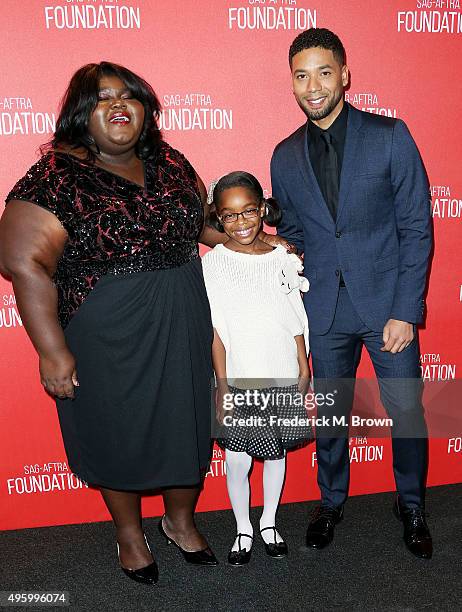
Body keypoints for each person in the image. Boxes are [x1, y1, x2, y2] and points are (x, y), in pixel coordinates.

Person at [0, 62, 244, 585]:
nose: (119, 105)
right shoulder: (54, 178)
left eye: (129, 97)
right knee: (117, 431)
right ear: (81, 113)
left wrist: (256, 248)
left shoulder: (170, 161)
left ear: (145, 110)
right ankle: (130, 534)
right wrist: (52, 351)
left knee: (189, 423)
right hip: (107, 330)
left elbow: (200, 224)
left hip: (184, 318)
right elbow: (25, 264)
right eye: (103, 97)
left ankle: (179, 522)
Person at [271, 28, 433, 559]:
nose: (312, 85)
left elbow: (416, 226)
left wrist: (406, 310)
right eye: (301, 75)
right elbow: (295, 232)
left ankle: (411, 504)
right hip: (324, 309)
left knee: (406, 409)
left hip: (388, 307)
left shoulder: (390, 135)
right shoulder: (285, 154)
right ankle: (330, 500)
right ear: (291, 84)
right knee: (331, 414)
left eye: (323, 72)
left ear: (344, 74)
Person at [202, 171, 312, 565]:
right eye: (230, 215)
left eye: (249, 211)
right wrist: (224, 384)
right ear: (217, 218)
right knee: (238, 458)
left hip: (280, 367)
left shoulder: (282, 257)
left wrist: (303, 363)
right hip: (240, 373)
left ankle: (269, 522)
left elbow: (294, 313)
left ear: (263, 209)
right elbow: (216, 330)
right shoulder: (212, 264)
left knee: (276, 452)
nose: (242, 222)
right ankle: (243, 527)